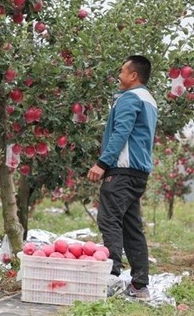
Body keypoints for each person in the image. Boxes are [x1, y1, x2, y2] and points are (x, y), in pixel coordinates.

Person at [87, 55, 157, 301]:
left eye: (122, 70)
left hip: (122, 170)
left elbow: (121, 131)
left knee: (109, 220)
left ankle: (112, 277)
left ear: (133, 75)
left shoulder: (130, 98)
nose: (119, 75)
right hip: (138, 173)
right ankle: (139, 285)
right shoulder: (149, 99)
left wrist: (102, 163)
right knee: (131, 227)